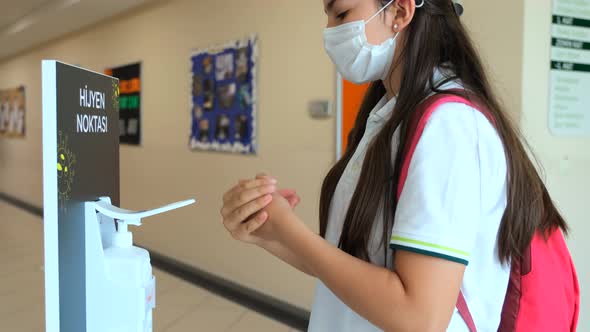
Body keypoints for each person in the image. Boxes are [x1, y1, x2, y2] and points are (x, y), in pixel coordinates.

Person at [219, 0, 570, 331]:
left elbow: (420, 316)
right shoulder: (391, 115)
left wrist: (290, 232)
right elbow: (361, 269)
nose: (329, 31)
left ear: (400, 11)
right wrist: (270, 230)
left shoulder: (448, 125)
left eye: (340, 13)